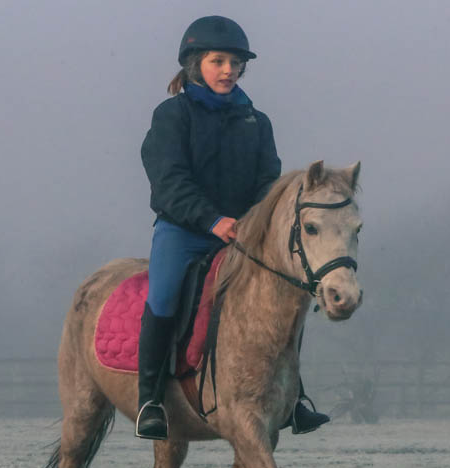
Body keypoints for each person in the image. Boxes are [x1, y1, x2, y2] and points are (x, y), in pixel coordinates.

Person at [136, 15, 329, 440]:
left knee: (287, 294)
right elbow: (169, 180)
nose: (228, 70)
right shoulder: (172, 115)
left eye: (235, 63)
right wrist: (212, 219)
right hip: (184, 231)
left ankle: (293, 397)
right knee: (164, 295)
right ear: (195, 64)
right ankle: (149, 400)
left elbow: (268, 181)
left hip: (243, 234)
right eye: (218, 61)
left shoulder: (257, 122)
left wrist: (254, 220)